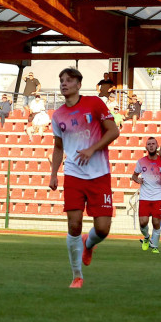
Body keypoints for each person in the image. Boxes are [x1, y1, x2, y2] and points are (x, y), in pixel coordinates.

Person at [47, 67, 120, 289]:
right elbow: (58, 147)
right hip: (73, 174)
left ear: (79, 84)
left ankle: (89, 243)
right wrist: (53, 173)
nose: (64, 83)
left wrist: (91, 149)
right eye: (61, 80)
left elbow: (113, 131)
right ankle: (76, 276)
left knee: (103, 229)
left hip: (99, 174)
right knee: (74, 224)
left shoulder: (94, 104)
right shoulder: (57, 115)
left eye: (69, 80)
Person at [131, 137, 161, 253]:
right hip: (144, 196)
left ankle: (155, 246)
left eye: (153, 144)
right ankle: (147, 237)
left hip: (158, 196)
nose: (151, 146)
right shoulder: (141, 161)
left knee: (156, 222)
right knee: (143, 222)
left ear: (157, 146)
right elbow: (134, 176)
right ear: (146, 147)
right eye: (149, 144)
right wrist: (137, 180)